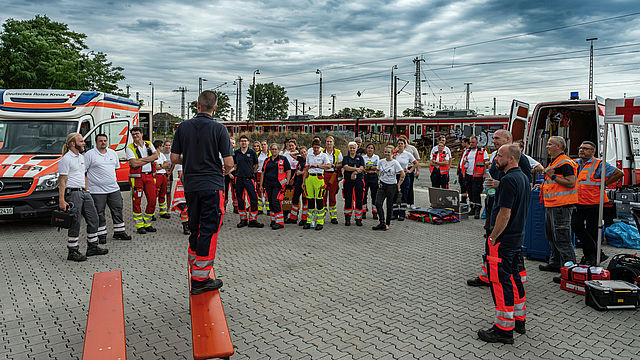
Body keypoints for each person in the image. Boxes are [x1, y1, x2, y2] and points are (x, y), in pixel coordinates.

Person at [171, 90, 233, 295]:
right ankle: (201, 279)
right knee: (210, 228)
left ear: (197, 105)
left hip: (190, 185)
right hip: (212, 185)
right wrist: (226, 168)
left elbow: (173, 158)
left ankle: (193, 265)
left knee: (195, 225)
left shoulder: (183, 128)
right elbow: (229, 163)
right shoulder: (219, 129)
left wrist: (189, 160)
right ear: (215, 108)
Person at [477, 144, 530, 344]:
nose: (495, 159)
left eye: (500, 155)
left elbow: (504, 213)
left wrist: (493, 237)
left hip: (504, 240)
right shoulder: (523, 177)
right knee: (515, 278)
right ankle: (519, 320)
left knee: (500, 282)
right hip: (517, 237)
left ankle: (503, 330)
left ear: (512, 159)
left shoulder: (508, 180)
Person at [469, 130, 531, 287]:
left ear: (508, 139)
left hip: (507, 207)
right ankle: (487, 275)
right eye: (494, 138)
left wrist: (500, 184)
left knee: (505, 244)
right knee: (490, 241)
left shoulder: (518, 158)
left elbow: (524, 181)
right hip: (494, 202)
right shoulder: (497, 155)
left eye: (497, 138)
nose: (493, 140)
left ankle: (514, 279)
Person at [58, 133, 108, 261]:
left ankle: (92, 247)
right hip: (73, 193)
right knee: (75, 221)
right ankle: (72, 251)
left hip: (84, 192)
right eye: (81, 141)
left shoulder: (81, 157)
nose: (84, 143)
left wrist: (87, 190)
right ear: (73, 144)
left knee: (94, 218)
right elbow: (62, 180)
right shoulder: (66, 159)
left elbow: (82, 175)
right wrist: (62, 200)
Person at [571, 141, 623, 265]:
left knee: (592, 230)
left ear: (592, 151)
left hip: (594, 202)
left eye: (585, 148)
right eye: (581, 148)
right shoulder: (576, 163)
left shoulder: (598, 164)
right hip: (578, 201)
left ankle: (589, 257)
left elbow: (619, 173)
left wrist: (605, 183)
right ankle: (596, 252)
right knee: (576, 226)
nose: (581, 150)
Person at [536, 136, 578, 275]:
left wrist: (552, 176)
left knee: (562, 237)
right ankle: (555, 263)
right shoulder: (555, 161)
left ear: (559, 146)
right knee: (552, 236)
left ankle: (569, 271)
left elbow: (571, 182)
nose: (547, 146)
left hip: (562, 206)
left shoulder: (565, 163)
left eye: (550, 144)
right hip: (553, 204)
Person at [84, 133, 131, 244]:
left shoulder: (112, 153)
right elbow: (83, 171)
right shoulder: (89, 154)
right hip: (97, 190)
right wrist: (86, 187)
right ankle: (101, 235)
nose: (103, 142)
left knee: (118, 210)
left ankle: (119, 232)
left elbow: (115, 168)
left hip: (113, 188)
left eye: (105, 140)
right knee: (99, 213)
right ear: (96, 142)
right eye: (100, 141)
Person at [126, 127, 159, 234]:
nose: (135, 136)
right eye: (133, 134)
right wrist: (149, 158)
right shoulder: (129, 147)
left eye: (137, 134)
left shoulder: (149, 144)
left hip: (149, 176)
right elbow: (134, 164)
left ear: (141, 134)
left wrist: (141, 160)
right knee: (137, 202)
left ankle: (147, 223)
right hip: (137, 178)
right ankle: (139, 225)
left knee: (153, 200)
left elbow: (156, 156)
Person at [234, 135, 264, 228]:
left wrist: (250, 172)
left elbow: (255, 166)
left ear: (248, 142)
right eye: (242, 141)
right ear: (240, 142)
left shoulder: (252, 153)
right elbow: (235, 165)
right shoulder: (236, 153)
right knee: (240, 199)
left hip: (249, 179)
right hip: (239, 178)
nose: (243, 142)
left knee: (253, 199)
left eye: (245, 141)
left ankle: (253, 220)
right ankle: (243, 220)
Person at [260, 143, 291, 230]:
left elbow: (288, 171)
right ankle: (273, 220)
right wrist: (261, 185)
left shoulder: (283, 159)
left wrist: (287, 181)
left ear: (278, 150)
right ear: (270, 150)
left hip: (278, 185)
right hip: (268, 184)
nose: (274, 151)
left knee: (276, 201)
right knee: (270, 202)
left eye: (275, 149)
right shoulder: (267, 160)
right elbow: (263, 173)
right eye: (272, 149)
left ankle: (280, 222)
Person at [374, 145, 405, 231]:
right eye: (385, 152)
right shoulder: (381, 161)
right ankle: (381, 222)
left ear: (392, 153)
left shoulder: (395, 163)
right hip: (382, 185)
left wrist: (398, 185)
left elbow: (402, 174)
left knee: (389, 205)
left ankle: (387, 224)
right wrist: (379, 178)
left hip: (391, 186)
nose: (387, 154)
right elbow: (377, 170)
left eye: (388, 152)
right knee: (378, 203)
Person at [303, 139, 332, 230]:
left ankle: (319, 222)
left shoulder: (324, 155)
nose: (316, 149)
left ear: (320, 147)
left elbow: (329, 166)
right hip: (309, 178)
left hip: (319, 178)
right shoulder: (309, 155)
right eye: (314, 147)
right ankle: (310, 222)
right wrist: (303, 181)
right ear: (312, 147)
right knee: (310, 201)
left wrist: (318, 166)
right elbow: (306, 168)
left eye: (317, 147)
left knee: (319, 201)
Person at [462, 136, 489, 219]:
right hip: (468, 175)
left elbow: (486, 163)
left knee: (476, 193)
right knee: (470, 192)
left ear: (477, 143)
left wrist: (484, 173)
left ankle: (477, 209)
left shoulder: (482, 151)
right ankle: (472, 208)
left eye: (473, 142)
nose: (471, 144)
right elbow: (463, 161)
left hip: (478, 176)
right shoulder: (467, 151)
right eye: (470, 142)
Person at [393, 138, 418, 221]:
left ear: (404, 145)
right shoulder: (394, 154)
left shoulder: (407, 154)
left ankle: (402, 214)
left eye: (401, 143)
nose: (400, 145)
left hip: (404, 176)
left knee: (404, 195)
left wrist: (410, 171)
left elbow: (416, 163)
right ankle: (394, 213)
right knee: (395, 195)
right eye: (399, 143)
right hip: (395, 176)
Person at [342, 142, 365, 226]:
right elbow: (345, 167)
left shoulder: (360, 158)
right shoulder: (346, 158)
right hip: (348, 181)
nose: (352, 149)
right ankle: (347, 218)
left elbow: (362, 167)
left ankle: (358, 218)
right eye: (350, 148)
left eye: (353, 148)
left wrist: (354, 173)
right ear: (348, 148)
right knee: (348, 199)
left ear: (356, 148)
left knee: (359, 199)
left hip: (358, 181)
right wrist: (356, 169)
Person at [286, 146, 309, 225]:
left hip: (305, 182)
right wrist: (299, 152)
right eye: (302, 153)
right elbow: (291, 154)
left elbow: (310, 170)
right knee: (295, 199)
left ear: (307, 152)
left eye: (304, 152)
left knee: (305, 200)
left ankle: (304, 219)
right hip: (298, 182)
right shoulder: (300, 159)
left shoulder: (309, 160)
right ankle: (293, 217)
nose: (303, 154)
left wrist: (301, 173)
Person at [323, 135, 343, 224]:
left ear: (333, 143)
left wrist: (334, 165)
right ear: (325, 143)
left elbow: (341, 163)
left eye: (331, 142)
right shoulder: (321, 152)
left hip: (333, 175)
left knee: (332, 196)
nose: (329, 143)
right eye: (327, 141)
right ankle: (322, 215)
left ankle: (333, 216)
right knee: (323, 195)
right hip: (323, 175)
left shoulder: (338, 152)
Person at [401, 136, 421, 208]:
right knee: (401, 187)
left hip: (410, 168)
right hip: (401, 170)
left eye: (403, 141)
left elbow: (417, 160)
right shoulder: (397, 149)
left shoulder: (412, 148)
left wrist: (417, 170)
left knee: (410, 186)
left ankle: (411, 202)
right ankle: (403, 202)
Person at [153, 139, 171, 219]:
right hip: (157, 176)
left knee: (162, 194)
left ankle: (163, 212)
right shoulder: (154, 155)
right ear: (159, 146)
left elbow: (167, 164)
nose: (163, 147)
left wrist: (161, 166)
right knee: (154, 195)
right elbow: (155, 167)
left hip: (163, 176)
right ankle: (151, 213)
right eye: (162, 146)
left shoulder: (162, 155)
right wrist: (162, 165)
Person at [171, 163, 190, 235]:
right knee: (184, 208)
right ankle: (186, 226)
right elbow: (180, 173)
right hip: (183, 185)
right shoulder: (183, 158)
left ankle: (191, 224)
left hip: (195, 183)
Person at [362, 143, 379, 220]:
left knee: (374, 195)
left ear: (374, 150)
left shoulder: (376, 157)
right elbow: (363, 168)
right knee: (364, 195)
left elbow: (377, 167)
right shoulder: (363, 157)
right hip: (365, 177)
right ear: (366, 149)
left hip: (374, 177)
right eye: (368, 148)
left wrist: (370, 168)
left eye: (371, 148)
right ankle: (364, 211)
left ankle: (375, 212)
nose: (370, 149)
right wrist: (370, 169)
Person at [224, 137, 238, 213]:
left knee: (234, 190)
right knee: (225, 190)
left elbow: (236, 165)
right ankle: (224, 206)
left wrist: (230, 172)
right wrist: (228, 173)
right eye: (230, 142)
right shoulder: (225, 153)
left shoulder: (236, 153)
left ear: (235, 144)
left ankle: (235, 207)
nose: (231, 144)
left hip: (234, 173)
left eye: (233, 143)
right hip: (226, 174)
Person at [257, 140, 270, 214]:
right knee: (260, 191)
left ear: (267, 145)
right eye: (262, 144)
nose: (263, 146)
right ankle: (260, 208)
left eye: (264, 144)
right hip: (259, 174)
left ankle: (268, 209)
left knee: (267, 191)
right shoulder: (258, 154)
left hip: (268, 174)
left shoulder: (270, 153)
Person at [163, 140, 175, 209]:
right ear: (164, 146)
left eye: (169, 145)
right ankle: (162, 207)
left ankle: (168, 208)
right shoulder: (162, 155)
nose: (167, 147)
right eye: (166, 145)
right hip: (163, 173)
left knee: (168, 192)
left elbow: (174, 163)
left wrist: (170, 172)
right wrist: (165, 171)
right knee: (162, 192)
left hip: (170, 174)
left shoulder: (172, 155)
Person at [457, 137, 470, 203]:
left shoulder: (469, 151)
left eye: (463, 142)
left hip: (466, 172)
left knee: (466, 186)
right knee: (462, 187)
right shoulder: (464, 151)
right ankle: (463, 199)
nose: (462, 144)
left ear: (466, 143)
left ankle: (468, 200)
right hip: (461, 172)